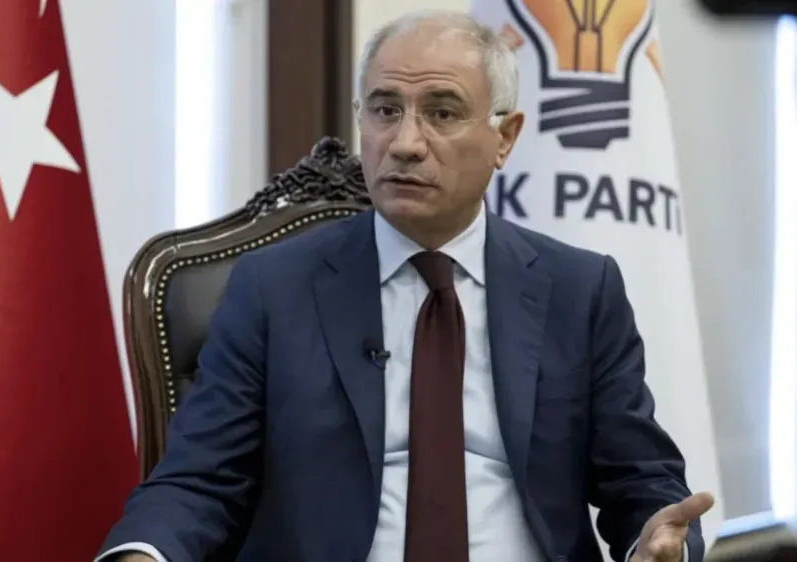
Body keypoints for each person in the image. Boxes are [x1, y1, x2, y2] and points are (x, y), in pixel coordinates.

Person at [96, 10, 715, 562]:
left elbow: (641, 482)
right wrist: (142, 555)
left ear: (504, 138)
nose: (406, 143)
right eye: (385, 110)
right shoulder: (271, 289)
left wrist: (657, 545)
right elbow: (197, 481)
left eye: (441, 113)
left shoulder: (580, 291)